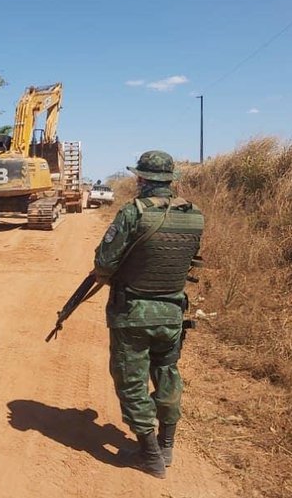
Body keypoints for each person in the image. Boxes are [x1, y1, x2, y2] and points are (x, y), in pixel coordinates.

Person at [93, 150, 204, 479]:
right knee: (167, 373)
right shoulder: (194, 215)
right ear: (171, 180)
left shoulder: (133, 213)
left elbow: (104, 264)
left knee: (131, 383)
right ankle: (166, 444)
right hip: (172, 313)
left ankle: (150, 454)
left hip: (133, 314)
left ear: (141, 180)